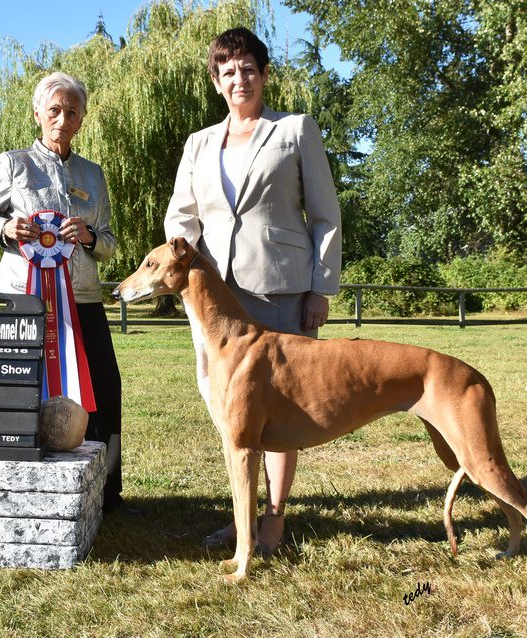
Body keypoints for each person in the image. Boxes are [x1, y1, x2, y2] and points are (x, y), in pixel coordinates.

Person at [164, 27, 342, 553]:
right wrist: (179, 254)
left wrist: (320, 286)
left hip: (281, 288)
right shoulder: (198, 143)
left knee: (282, 407)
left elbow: (326, 216)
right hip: (216, 299)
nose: (238, 79)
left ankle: (274, 519)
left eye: (247, 69)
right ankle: (241, 521)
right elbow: (182, 215)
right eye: (227, 71)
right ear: (216, 83)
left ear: (264, 75)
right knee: (232, 410)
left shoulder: (294, 130)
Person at [0, 71, 133, 513]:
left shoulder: (94, 176)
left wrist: (91, 236)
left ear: (82, 119)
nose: (63, 118)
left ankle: (108, 491)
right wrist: (4, 227)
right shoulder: (13, 163)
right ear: (38, 114)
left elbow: (112, 244)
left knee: (105, 392)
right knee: (20, 391)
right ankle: (17, 486)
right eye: (55, 109)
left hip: (83, 299)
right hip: (24, 300)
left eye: (72, 111)